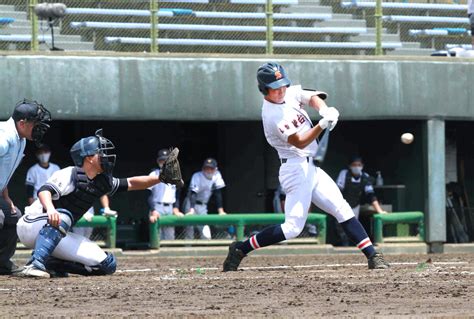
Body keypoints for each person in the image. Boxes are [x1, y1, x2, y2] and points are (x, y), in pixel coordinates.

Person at [223, 62, 389, 271]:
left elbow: (310, 97)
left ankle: (373, 256)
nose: (281, 90)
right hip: (294, 168)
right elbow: (299, 141)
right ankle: (241, 248)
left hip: (311, 168)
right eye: (275, 87)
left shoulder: (287, 93)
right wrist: (321, 125)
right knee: (292, 228)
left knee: (342, 208)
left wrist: (325, 110)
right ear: (264, 90)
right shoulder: (272, 115)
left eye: (283, 84)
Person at [16, 129, 183, 278]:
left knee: (106, 264)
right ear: (89, 158)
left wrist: (160, 177)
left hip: (56, 232)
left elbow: (131, 183)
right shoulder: (70, 173)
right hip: (31, 225)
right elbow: (44, 191)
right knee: (63, 216)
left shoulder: (100, 181)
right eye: (100, 153)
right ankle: (34, 263)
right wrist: (51, 209)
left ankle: (51, 263)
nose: (105, 156)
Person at [0, 99, 51, 275]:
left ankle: (2, 263)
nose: (39, 129)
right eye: (35, 125)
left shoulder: (20, 138)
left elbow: (4, 171)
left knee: (13, 215)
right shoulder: (4, 137)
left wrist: (5, 197)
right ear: (22, 123)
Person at [184, 158, 226, 240]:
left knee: (206, 235)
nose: (209, 170)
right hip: (191, 204)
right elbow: (193, 193)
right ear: (203, 168)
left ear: (215, 169)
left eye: (211, 168)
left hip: (203, 206)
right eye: (207, 168)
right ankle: (187, 250)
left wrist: (221, 210)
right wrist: (191, 209)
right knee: (189, 231)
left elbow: (218, 193)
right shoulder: (197, 176)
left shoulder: (217, 175)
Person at [148, 148, 184, 240]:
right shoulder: (153, 174)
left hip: (170, 208)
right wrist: (153, 210)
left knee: (170, 238)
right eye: (161, 160)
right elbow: (148, 195)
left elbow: (177, 194)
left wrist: (176, 208)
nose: (163, 162)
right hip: (157, 207)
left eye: (166, 160)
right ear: (158, 161)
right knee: (157, 237)